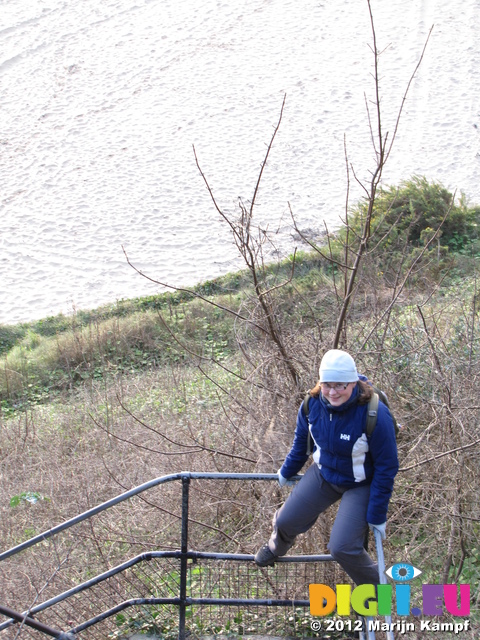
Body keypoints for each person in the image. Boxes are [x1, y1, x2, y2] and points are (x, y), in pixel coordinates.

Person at [254, 349, 399, 586]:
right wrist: (287, 470)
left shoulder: (374, 413)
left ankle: (374, 587)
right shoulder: (312, 405)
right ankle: (275, 548)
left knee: (342, 547)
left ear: (353, 382)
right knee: (284, 520)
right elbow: (301, 442)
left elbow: (387, 466)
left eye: (340, 385)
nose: (333, 392)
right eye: (327, 384)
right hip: (325, 475)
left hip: (361, 483)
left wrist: (377, 515)